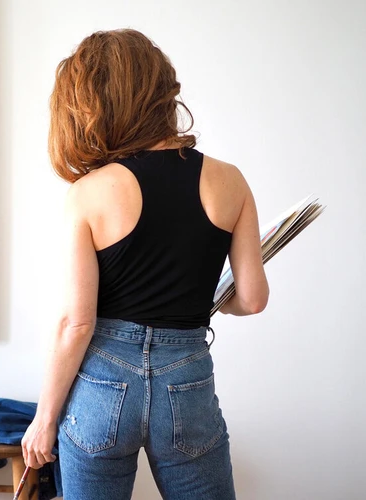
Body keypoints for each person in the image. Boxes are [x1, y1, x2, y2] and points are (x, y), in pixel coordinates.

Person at [21, 29, 269, 500]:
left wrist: (44, 419)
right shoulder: (229, 181)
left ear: (95, 104)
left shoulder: (89, 192)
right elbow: (253, 299)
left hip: (103, 384)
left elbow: (77, 323)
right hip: (187, 379)